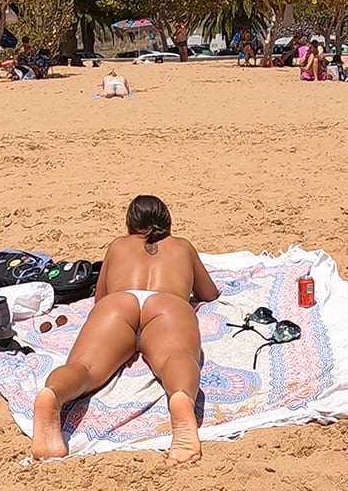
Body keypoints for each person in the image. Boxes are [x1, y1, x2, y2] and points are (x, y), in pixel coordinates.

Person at [31, 195, 219, 465]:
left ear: (130, 223)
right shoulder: (183, 247)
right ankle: (180, 397)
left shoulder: (118, 245)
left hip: (118, 304)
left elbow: (100, 297)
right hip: (167, 304)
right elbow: (209, 293)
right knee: (176, 358)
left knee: (85, 368)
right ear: (167, 221)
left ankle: (53, 394)